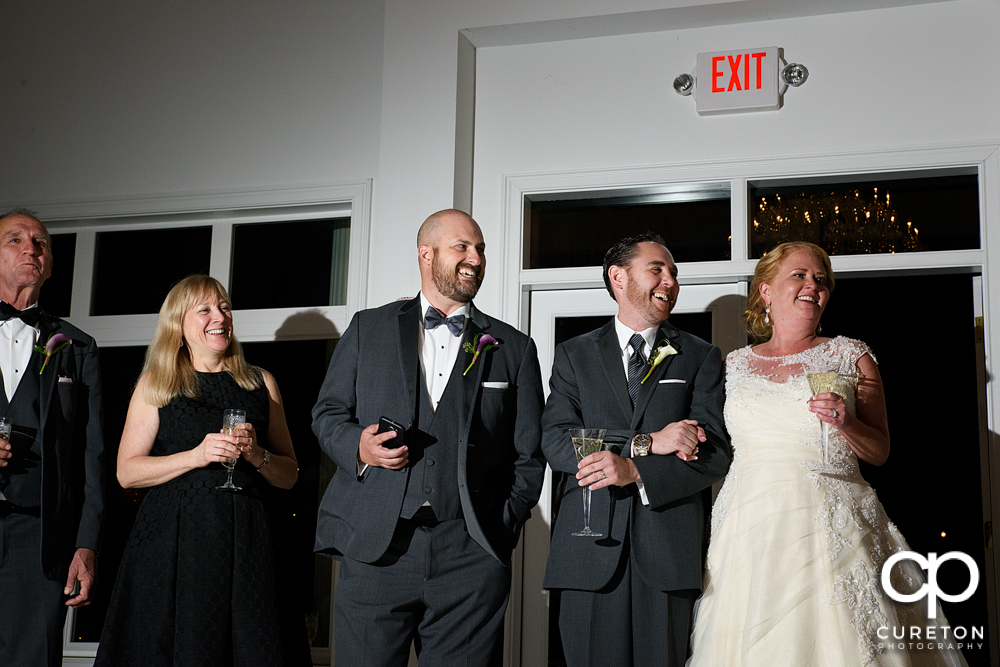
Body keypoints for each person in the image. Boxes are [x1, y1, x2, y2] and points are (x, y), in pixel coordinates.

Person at [688, 242, 967, 666]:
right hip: (750, 526)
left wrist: (846, 422)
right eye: (798, 275)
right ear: (765, 291)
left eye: (820, 280)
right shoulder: (733, 366)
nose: (812, 285)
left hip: (833, 523)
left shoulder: (850, 355)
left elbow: (880, 451)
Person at [312, 208, 545, 666]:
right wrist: (357, 446)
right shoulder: (367, 328)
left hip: (470, 554)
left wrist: (501, 525)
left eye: (480, 249)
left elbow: (528, 453)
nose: (475, 258)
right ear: (426, 253)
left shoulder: (513, 347)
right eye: (462, 246)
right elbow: (327, 413)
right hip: (377, 548)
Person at [94, 275, 310, 666]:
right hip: (175, 543)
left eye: (224, 307)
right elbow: (127, 472)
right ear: (179, 323)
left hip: (248, 540)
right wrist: (196, 455)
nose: (219, 316)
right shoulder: (156, 383)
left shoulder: (261, 382)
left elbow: (290, 473)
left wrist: (256, 454)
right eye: (205, 309)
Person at [541, 232, 731, 667]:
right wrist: (648, 443)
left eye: (674, 273)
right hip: (586, 553)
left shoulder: (700, 357)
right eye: (657, 270)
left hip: (668, 554)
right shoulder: (573, 355)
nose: (671, 281)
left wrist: (634, 470)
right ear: (618, 278)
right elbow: (555, 441)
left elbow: (714, 451)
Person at [0, 209, 105, 667]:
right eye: (15, 239)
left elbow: (92, 455)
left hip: (39, 537)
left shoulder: (77, 347)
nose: (31, 248)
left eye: (41, 243)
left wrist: (86, 545)